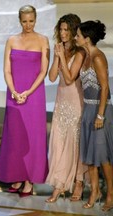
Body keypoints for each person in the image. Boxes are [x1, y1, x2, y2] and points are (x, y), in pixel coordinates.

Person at [0, 5, 49, 197]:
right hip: (14, 95)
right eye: (24, 21)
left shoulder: (43, 40)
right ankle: (17, 176)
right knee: (15, 137)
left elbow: (43, 71)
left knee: (33, 137)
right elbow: (6, 70)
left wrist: (27, 92)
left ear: (35, 19)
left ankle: (29, 180)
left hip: (34, 96)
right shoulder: (11, 40)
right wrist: (14, 91)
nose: (28, 25)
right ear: (20, 20)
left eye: (31, 21)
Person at [45, 14, 88, 203]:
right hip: (61, 103)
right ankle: (59, 185)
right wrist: (57, 56)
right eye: (60, 29)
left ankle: (78, 182)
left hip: (76, 103)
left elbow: (70, 78)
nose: (62, 33)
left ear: (73, 31)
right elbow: (53, 77)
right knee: (58, 144)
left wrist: (63, 56)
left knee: (74, 145)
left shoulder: (80, 53)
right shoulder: (59, 49)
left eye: (66, 30)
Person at [74, 20, 113, 211]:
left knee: (103, 156)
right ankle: (95, 191)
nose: (75, 38)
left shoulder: (98, 57)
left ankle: (111, 195)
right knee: (89, 155)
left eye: (78, 35)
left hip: (100, 110)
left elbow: (105, 87)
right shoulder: (86, 56)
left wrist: (100, 116)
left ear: (87, 38)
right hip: (88, 109)